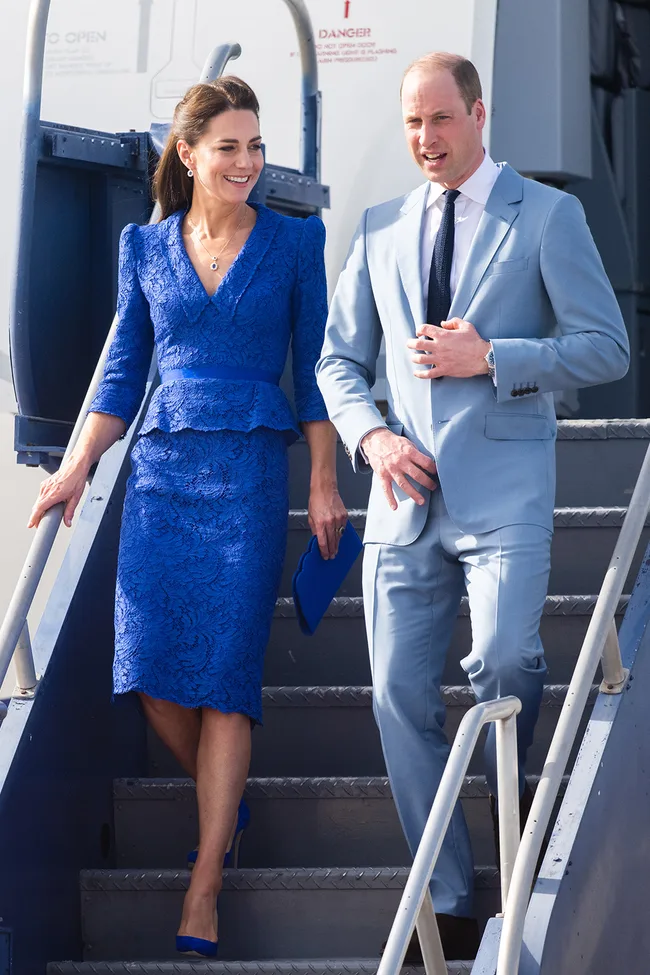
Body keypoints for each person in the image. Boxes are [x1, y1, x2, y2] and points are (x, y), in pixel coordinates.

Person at [316, 52, 629, 961]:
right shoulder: (377, 228)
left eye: (441, 120)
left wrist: (495, 355)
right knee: (393, 694)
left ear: (479, 115)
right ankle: (448, 894)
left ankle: (514, 793)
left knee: (502, 655)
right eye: (413, 123)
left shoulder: (549, 215)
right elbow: (337, 363)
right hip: (401, 497)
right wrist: (372, 439)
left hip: (504, 491)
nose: (425, 139)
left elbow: (605, 347)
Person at [28, 76, 347, 958]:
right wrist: (76, 465)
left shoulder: (294, 243)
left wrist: (323, 478)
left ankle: (203, 883)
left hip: (247, 471)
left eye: (256, 146)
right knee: (152, 675)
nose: (247, 163)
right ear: (188, 153)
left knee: (227, 681)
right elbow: (122, 374)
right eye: (229, 147)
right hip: (161, 472)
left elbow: (315, 372)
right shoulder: (144, 246)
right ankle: (224, 800)